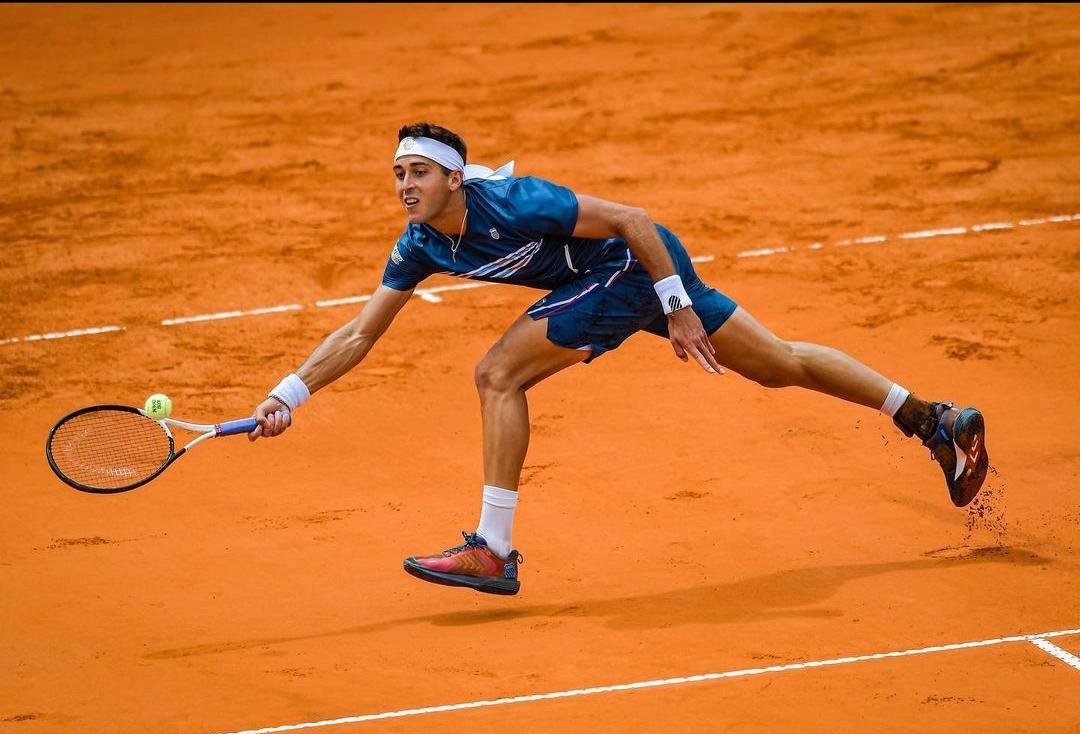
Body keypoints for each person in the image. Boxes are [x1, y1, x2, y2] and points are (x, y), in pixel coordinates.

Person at [248, 122, 989, 596]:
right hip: (614, 281)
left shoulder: (514, 202)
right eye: (397, 175)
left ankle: (493, 550)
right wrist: (289, 394)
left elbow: (634, 219)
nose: (405, 186)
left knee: (497, 373)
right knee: (778, 364)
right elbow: (359, 334)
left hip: (636, 267)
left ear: (453, 177)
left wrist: (676, 304)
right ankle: (933, 420)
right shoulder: (421, 245)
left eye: (419, 172)